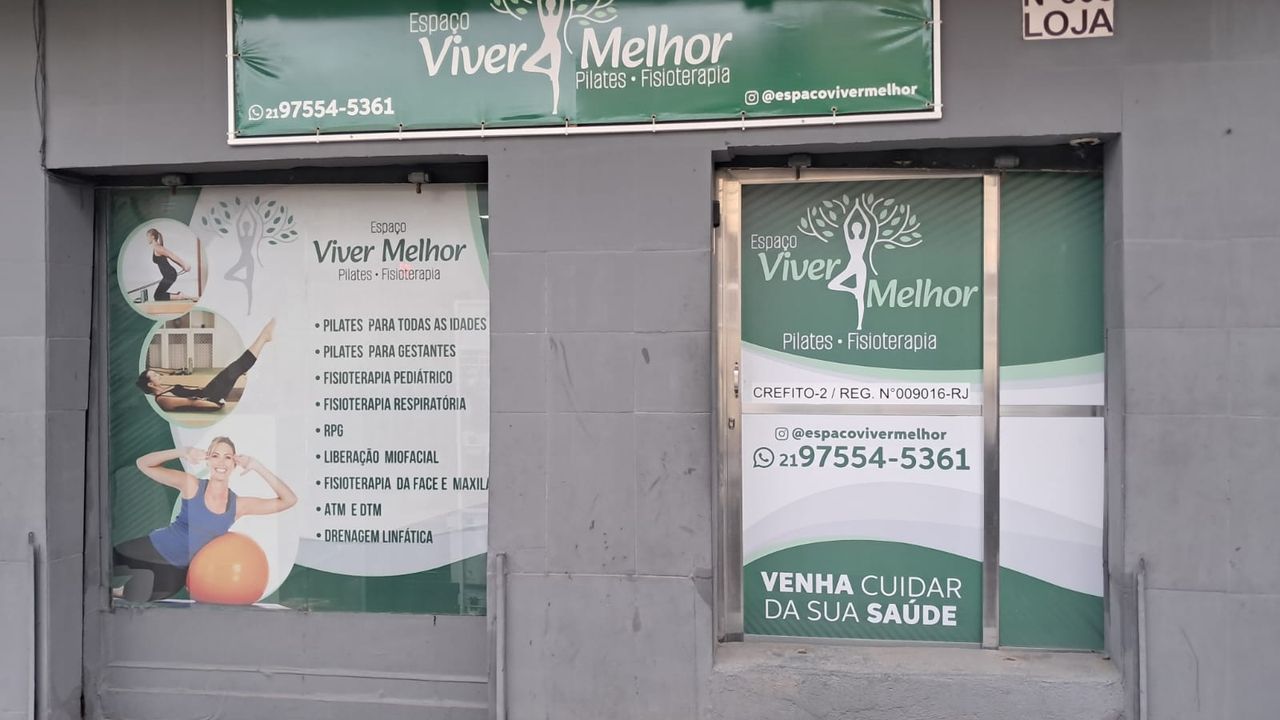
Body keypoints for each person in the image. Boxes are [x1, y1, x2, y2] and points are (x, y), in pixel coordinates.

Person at [112, 436, 297, 603]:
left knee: (124, 594)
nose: (221, 462)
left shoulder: (237, 506)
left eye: (228, 457)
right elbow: (143, 464)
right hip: (152, 549)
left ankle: (120, 590)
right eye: (215, 455)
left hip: (172, 575)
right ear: (208, 460)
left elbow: (289, 500)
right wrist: (182, 452)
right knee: (101, 568)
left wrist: (256, 466)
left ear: (234, 464)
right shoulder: (191, 485)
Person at [136, 318, 275, 411]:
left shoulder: (163, 390)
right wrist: (216, 405)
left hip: (209, 391)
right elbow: (193, 402)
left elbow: (190, 394)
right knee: (237, 367)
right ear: (151, 384)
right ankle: (264, 337)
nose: (158, 375)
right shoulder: (162, 399)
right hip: (211, 397)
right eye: (154, 375)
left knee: (236, 367)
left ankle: (264, 337)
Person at [147, 228, 191, 301]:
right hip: (168, 275)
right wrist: (182, 266)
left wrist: (184, 264)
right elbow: (171, 258)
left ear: (152, 237)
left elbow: (172, 255)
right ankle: (179, 295)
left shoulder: (158, 248)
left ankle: (180, 296)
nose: (147, 239)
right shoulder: (156, 247)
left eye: (148, 236)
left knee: (158, 296)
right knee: (158, 295)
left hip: (169, 274)